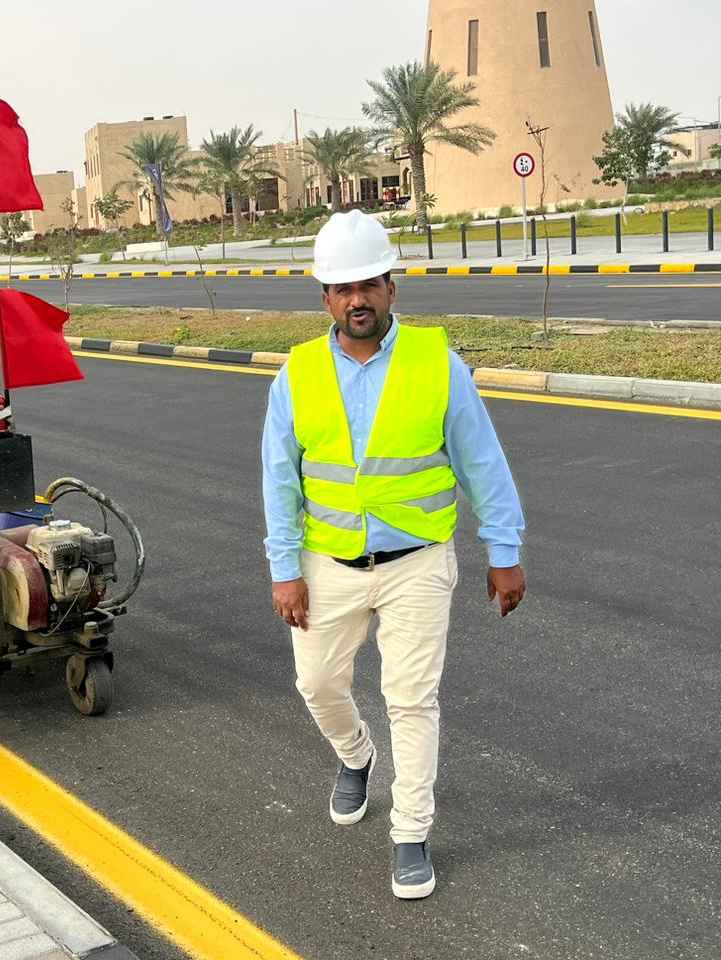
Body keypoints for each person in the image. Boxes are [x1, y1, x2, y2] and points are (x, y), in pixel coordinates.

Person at [261, 210, 526, 900]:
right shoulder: (296, 375)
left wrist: (504, 550)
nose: (358, 300)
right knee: (316, 685)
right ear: (324, 298)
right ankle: (355, 756)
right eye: (343, 288)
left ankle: (410, 832)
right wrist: (284, 569)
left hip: (419, 563)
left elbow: (482, 465)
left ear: (391, 288)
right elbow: (278, 478)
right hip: (327, 565)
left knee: (411, 698)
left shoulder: (438, 363)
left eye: (370, 285)